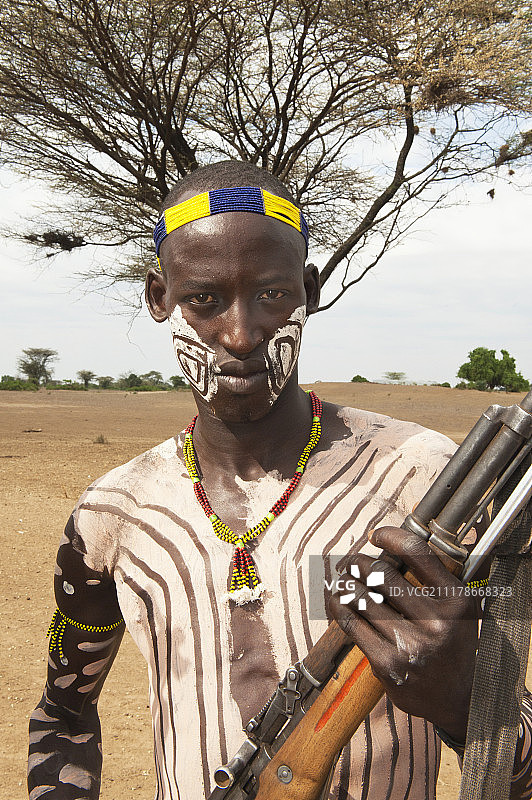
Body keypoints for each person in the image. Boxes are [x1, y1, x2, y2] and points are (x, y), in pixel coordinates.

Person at [28, 160, 532, 800]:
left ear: (309, 290)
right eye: (204, 299)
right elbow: (63, 714)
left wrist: (463, 701)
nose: (240, 335)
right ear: (159, 299)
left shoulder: (424, 485)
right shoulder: (112, 517)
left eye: (272, 294)